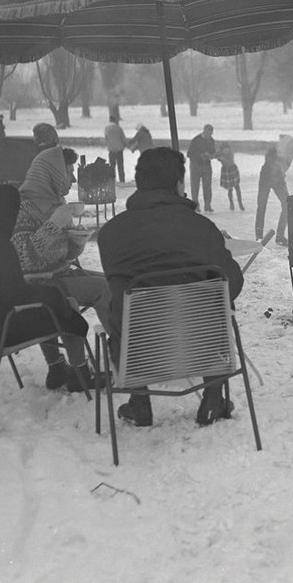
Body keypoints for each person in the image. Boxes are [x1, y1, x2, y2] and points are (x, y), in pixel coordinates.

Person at [97, 147, 244, 427]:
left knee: (123, 311)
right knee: (217, 306)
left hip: (139, 352)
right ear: (178, 184)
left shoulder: (111, 234)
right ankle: (213, 399)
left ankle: (140, 402)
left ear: (140, 184)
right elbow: (232, 284)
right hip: (202, 348)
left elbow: (115, 288)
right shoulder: (202, 228)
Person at [0, 184, 95, 392]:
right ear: (1, 214)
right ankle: (80, 375)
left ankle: (57, 369)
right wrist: (54, 296)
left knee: (57, 308)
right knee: (68, 310)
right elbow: (16, 295)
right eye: (12, 211)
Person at [12, 139, 112, 387]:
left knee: (107, 281)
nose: (73, 179)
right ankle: (117, 352)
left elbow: (57, 254)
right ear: (52, 173)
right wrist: (55, 224)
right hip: (37, 283)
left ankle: (57, 368)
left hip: (58, 275)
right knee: (104, 289)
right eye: (69, 171)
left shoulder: (56, 203)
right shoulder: (21, 207)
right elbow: (24, 256)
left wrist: (75, 243)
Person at [256, 146, 289, 246]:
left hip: (278, 179)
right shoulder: (266, 168)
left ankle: (280, 235)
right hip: (266, 177)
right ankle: (259, 237)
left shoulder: (281, 163)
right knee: (261, 206)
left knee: (287, 204)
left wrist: (280, 177)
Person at [187, 123, 216, 212]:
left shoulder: (211, 141)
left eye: (211, 134)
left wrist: (211, 155)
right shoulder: (195, 140)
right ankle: (196, 205)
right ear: (204, 131)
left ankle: (207, 205)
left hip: (206, 165)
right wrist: (201, 155)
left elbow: (213, 152)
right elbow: (189, 153)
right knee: (195, 186)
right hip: (195, 165)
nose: (209, 136)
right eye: (208, 134)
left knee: (207, 186)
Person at [217, 142, 244, 211]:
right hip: (227, 170)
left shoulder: (229, 153)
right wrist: (220, 158)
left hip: (231, 169)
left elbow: (230, 162)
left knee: (235, 188)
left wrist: (222, 158)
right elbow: (218, 157)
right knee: (231, 189)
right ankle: (233, 204)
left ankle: (239, 203)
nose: (226, 151)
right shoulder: (222, 154)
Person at [104, 115, 127, 183]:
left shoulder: (107, 129)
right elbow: (123, 138)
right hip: (119, 150)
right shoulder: (118, 128)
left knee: (112, 166)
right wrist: (126, 145)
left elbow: (106, 138)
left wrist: (109, 145)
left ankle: (112, 180)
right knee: (120, 166)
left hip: (111, 150)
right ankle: (122, 180)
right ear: (115, 121)